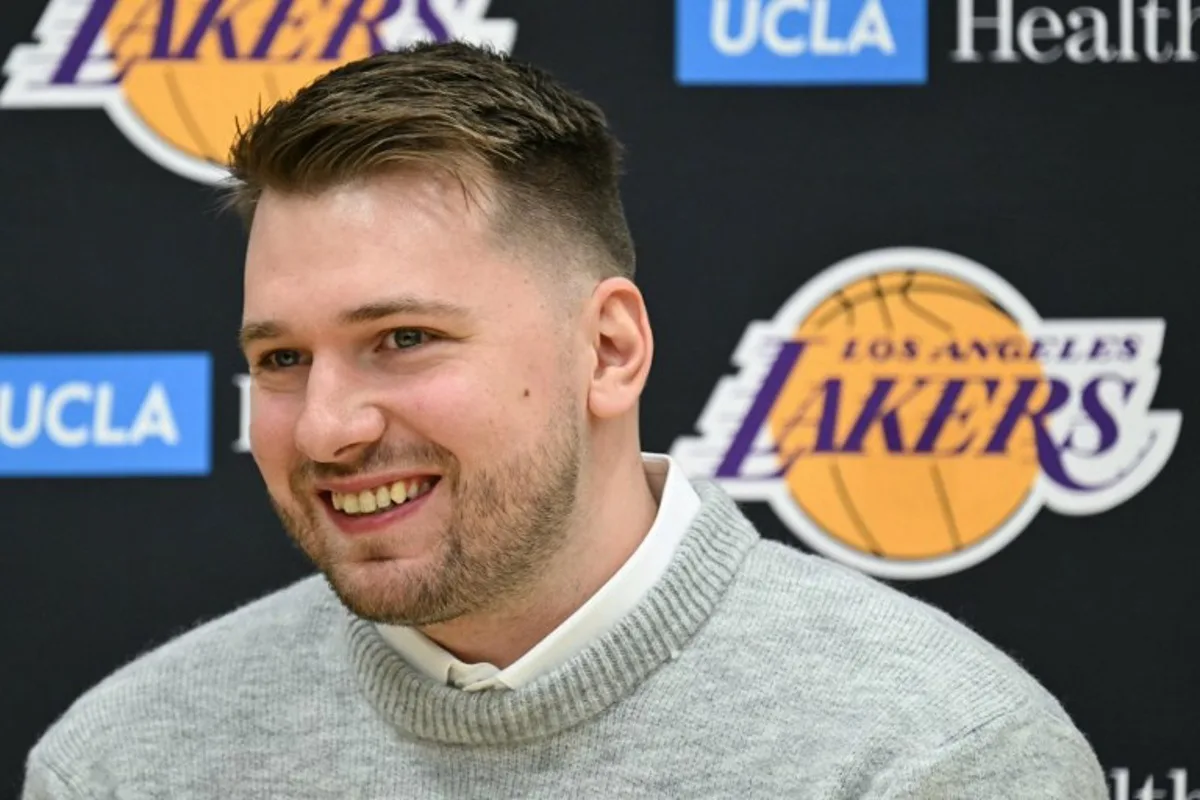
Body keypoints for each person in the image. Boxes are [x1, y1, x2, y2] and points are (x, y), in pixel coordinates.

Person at [22, 41, 1108, 799]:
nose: (325, 428)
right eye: (282, 359)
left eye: (403, 337)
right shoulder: (126, 764)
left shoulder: (932, 755)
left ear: (610, 349)